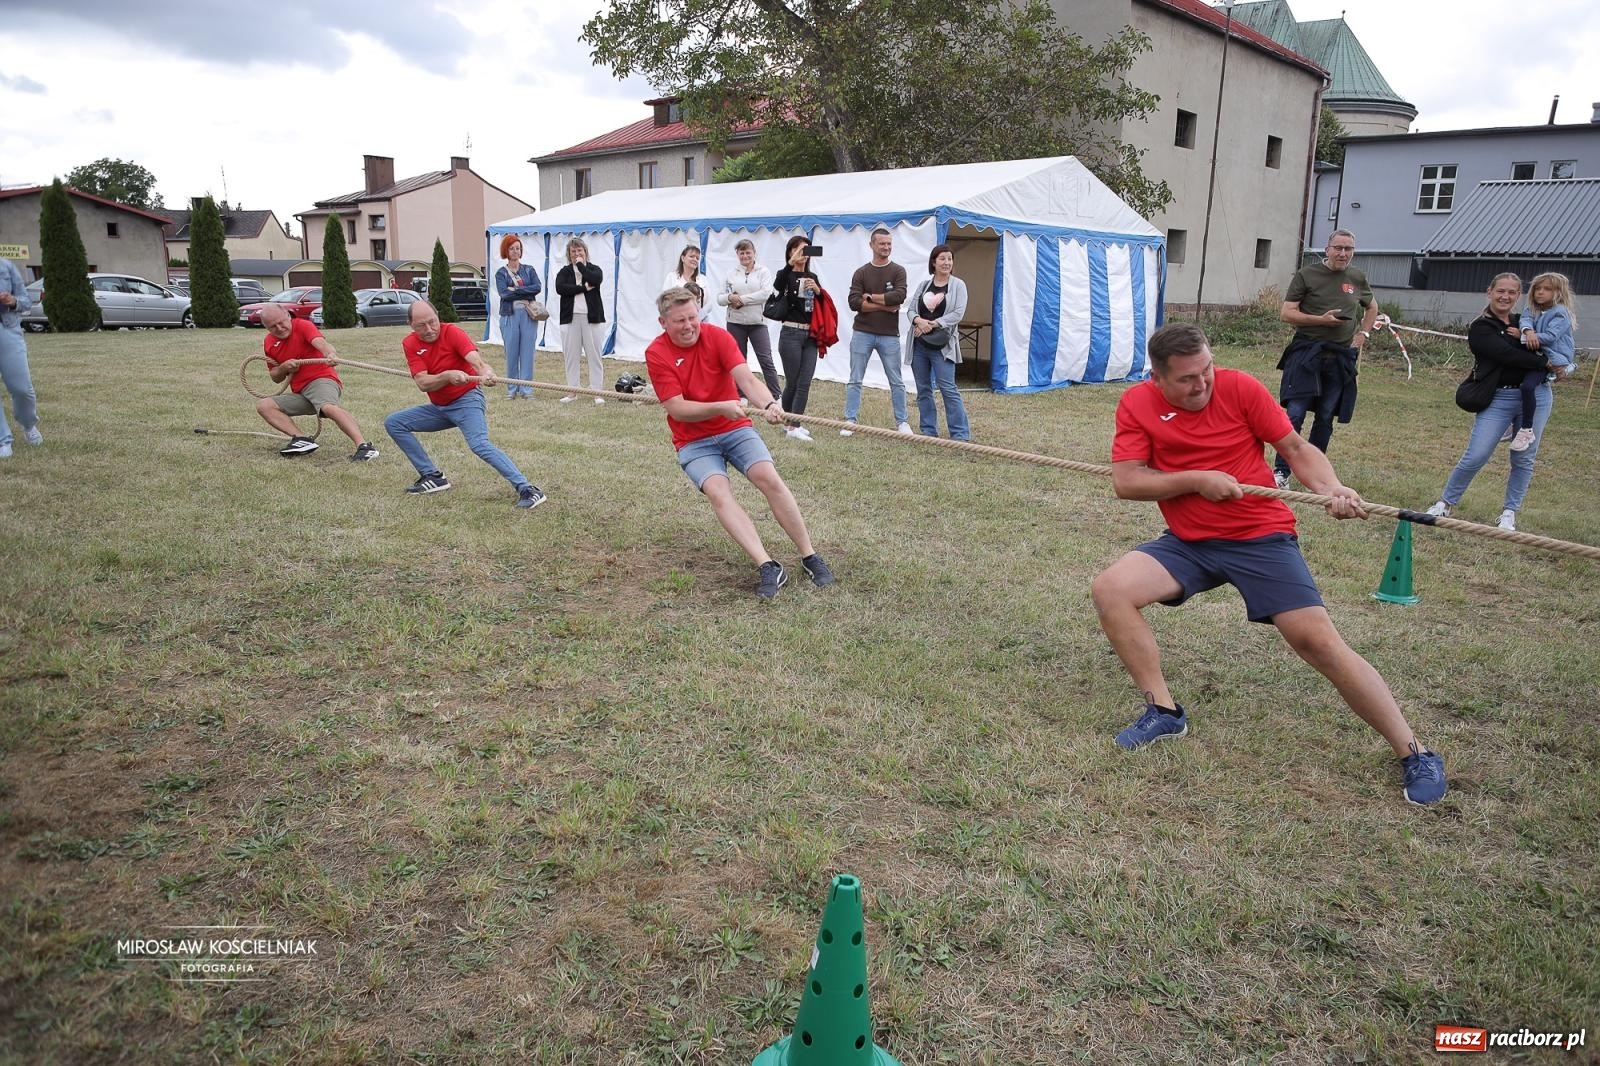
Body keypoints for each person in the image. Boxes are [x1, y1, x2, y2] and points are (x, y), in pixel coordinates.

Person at [1090, 322, 1447, 806]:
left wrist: (1331, 489)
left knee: (1317, 641)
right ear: (1157, 377)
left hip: (1260, 536)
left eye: (1207, 370)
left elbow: (1296, 449)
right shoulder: (1137, 403)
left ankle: (1415, 752)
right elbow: (1127, 481)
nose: (1203, 384)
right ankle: (1164, 711)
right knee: (1111, 589)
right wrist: (1197, 480)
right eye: (1188, 379)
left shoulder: (1240, 388)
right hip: (1190, 541)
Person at [644, 286, 836, 599]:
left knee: (768, 478)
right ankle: (768, 565)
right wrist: (721, 406)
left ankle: (809, 555)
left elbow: (747, 380)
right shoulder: (657, 353)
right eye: (679, 321)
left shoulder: (718, 337)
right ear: (663, 322)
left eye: (692, 317)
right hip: (693, 439)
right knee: (719, 493)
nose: (689, 325)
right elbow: (677, 408)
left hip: (735, 428)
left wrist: (770, 404)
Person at [1424, 273, 1560, 531]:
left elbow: (1552, 342)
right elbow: (1506, 354)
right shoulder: (1480, 327)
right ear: (1490, 292)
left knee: (1524, 457)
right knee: (1476, 454)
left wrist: (1556, 363)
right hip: (1499, 397)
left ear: (1518, 296)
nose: (1505, 296)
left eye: (1511, 292)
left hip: (1537, 396)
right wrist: (1543, 362)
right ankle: (1445, 502)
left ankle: (1509, 512)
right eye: (1500, 291)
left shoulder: (1526, 322)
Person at [384, 300, 547, 509]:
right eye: (421, 326)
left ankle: (528, 489)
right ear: (410, 324)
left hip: (467, 400)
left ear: (437, 317)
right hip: (440, 408)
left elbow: (477, 362)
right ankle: (432, 476)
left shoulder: (453, 333)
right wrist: (447, 376)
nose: (429, 329)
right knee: (395, 423)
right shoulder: (410, 344)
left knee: (479, 444)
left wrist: (485, 372)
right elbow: (423, 383)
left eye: (432, 322)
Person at [1271, 229, 1377, 489]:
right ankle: (1281, 472)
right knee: (1294, 414)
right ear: (1327, 249)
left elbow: (1372, 307)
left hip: (1340, 356)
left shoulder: (1357, 277)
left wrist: (1362, 333)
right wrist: (1321, 320)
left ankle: (1315, 474)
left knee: (1326, 416)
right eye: (1338, 248)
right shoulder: (1307, 275)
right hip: (1307, 352)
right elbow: (1287, 313)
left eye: (1349, 249)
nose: (1343, 254)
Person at [256, 304, 378, 461]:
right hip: (301, 392)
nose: (279, 328)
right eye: (273, 326)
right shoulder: (269, 343)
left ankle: (365, 447)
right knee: (264, 406)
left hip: (322, 380)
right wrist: (284, 367)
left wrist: (330, 354)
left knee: (328, 407)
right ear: (266, 328)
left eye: (281, 322)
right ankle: (301, 440)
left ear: (288, 316)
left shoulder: (303, 326)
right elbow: (275, 377)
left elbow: (321, 344)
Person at [843, 226, 910, 436]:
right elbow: (854, 302)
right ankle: (850, 420)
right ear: (871, 245)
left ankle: (902, 422)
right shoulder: (861, 272)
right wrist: (883, 305)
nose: (886, 247)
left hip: (889, 334)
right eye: (882, 243)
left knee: (896, 381)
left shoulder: (898, 271)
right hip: (862, 332)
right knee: (855, 378)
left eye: (889, 244)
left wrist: (869, 297)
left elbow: (898, 297)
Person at [905, 244, 970, 441]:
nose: (946, 262)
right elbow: (910, 310)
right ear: (933, 262)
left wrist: (932, 324)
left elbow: (958, 313)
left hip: (943, 346)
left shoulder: (958, 285)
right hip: (919, 345)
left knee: (948, 388)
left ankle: (960, 434)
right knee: (923, 388)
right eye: (942, 258)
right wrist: (918, 321)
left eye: (949, 259)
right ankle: (928, 431)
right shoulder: (924, 285)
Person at [1508, 271, 1576, 451]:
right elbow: (1525, 320)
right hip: (1537, 354)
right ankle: (1511, 424)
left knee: (1528, 386)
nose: (1540, 292)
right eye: (1537, 288)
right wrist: (1527, 332)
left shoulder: (1561, 313)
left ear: (1558, 292)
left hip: (1552, 357)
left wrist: (1523, 337)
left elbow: (1551, 336)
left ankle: (1526, 429)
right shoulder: (1532, 308)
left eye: (1547, 289)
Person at [770, 236, 823, 442]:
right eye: (799, 249)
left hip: (810, 334)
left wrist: (818, 291)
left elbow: (821, 305)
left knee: (805, 381)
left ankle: (793, 424)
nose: (803, 254)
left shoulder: (813, 276)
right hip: (790, 333)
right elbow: (776, 286)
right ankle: (790, 424)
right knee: (793, 381)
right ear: (791, 251)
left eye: (807, 251)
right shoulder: (785, 275)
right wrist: (791, 262)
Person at [716, 239, 781, 403]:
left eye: (748, 252)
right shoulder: (731, 273)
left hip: (757, 323)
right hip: (735, 323)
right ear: (737, 254)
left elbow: (765, 293)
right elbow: (720, 298)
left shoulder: (763, 271)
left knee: (766, 360)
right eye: (741, 253)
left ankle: (776, 394)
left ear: (754, 253)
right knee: (738, 361)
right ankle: (741, 394)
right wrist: (730, 297)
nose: (745, 256)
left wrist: (742, 299)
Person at [554, 237, 607, 406]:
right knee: (571, 356)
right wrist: (583, 288)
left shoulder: (593, 269)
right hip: (570, 318)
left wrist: (581, 266)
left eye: (579, 251)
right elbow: (561, 288)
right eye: (573, 251)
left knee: (594, 356)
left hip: (592, 318)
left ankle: (597, 392)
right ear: (569, 255)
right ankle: (572, 392)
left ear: (585, 252)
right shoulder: (564, 272)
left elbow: (595, 279)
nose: (577, 254)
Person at [0, 257, 40, 460]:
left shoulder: (6, 267)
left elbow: (26, 302)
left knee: (21, 388)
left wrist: (12, 301)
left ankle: (28, 424)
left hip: (7, 329)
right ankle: (3, 439)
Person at [494, 234, 542, 399]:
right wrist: (522, 290)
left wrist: (516, 290)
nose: (515, 251)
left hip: (528, 315)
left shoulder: (529, 270)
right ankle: (512, 389)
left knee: (528, 353)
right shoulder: (501, 273)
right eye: (512, 248)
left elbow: (537, 287)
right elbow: (504, 294)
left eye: (518, 248)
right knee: (512, 353)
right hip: (510, 315)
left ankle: (526, 390)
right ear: (506, 251)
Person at [662, 245, 708, 311]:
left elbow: (709, 304)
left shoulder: (703, 279)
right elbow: (665, 300)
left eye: (697, 258)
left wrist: (698, 316)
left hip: (699, 318)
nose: (695, 259)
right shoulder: (671, 277)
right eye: (691, 256)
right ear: (683, 258)